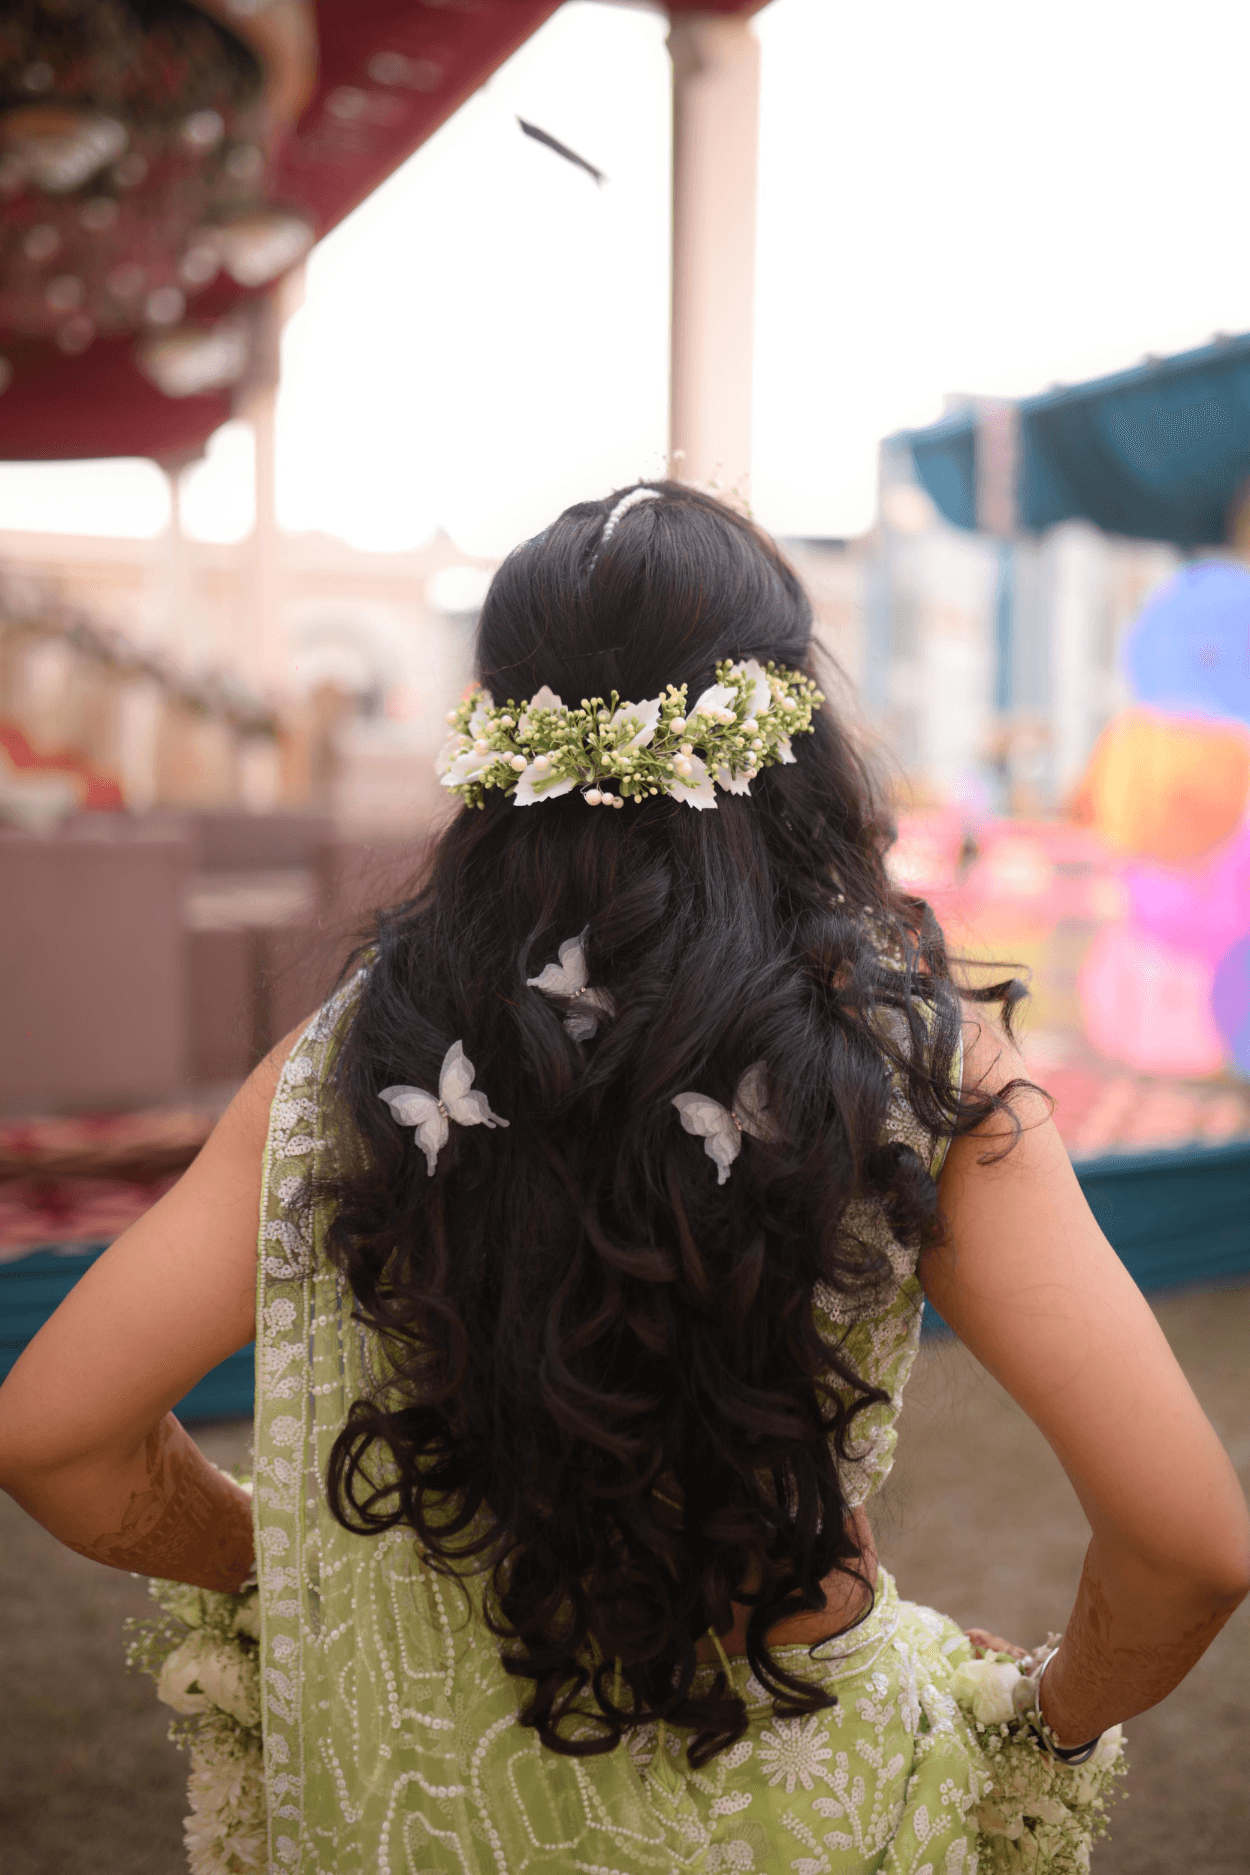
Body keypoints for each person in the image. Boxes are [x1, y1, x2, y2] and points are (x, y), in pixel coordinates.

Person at [1, 484, 1246, 1875]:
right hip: (792, 1807)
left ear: (498, 738)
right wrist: (1049, 1722)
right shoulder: (903, 1066)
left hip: (425, 1812)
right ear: (794, 736)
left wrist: (272, 1563)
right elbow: (1188, 1544)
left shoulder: (355, 1059)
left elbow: (56, 1435)